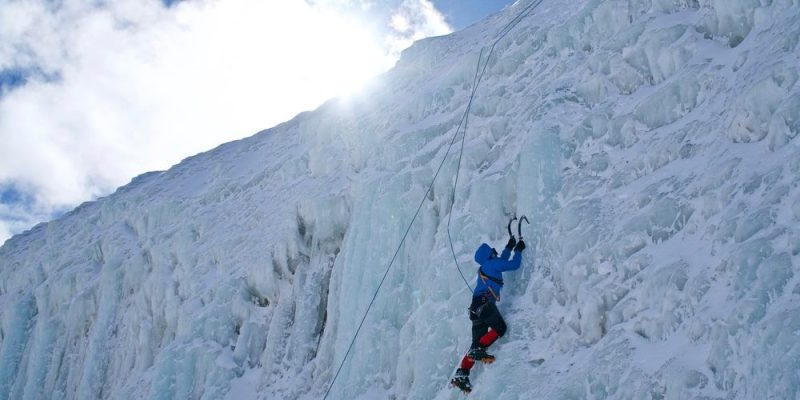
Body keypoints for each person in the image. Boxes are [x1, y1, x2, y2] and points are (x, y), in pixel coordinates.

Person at [450, 236, 525, 394]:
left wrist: (509, 247)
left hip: (475, 309)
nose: (495, 252)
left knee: (475, 343)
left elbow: (502, 261)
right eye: (493, 251)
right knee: (500, 328)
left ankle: (462, 373)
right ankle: (479, 349)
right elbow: (513, 264)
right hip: (484, 306)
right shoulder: (492, 264)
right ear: (489, 254)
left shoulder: (487, 266)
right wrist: (518, 250)